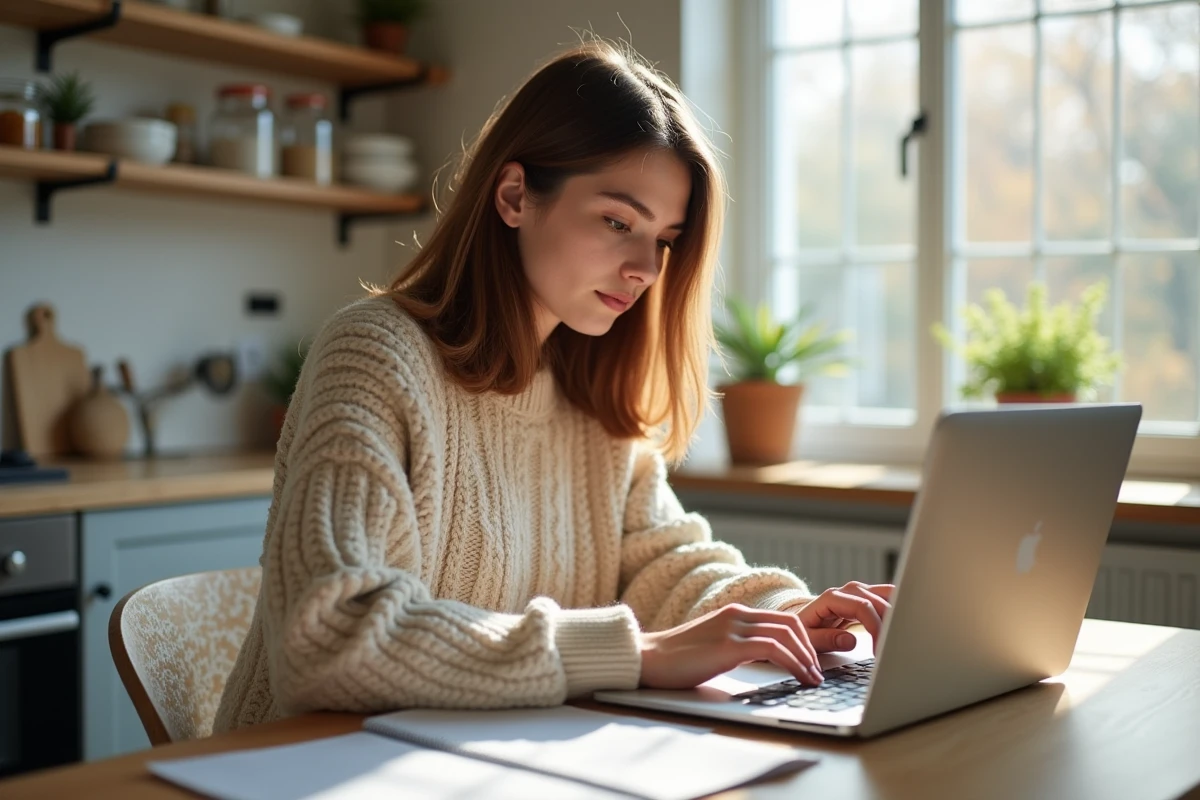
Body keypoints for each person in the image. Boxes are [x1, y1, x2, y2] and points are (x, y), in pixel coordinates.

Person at [213, 39, 893, 733]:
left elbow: (665, 564)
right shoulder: (376, 356)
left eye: (663, 239)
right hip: (299, 767)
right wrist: (634, 653)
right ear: (514, 197)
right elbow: (329, 640)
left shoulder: (589, 394)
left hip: (481, 760)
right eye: (616, 222)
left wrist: (786, 615)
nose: (645, 269)